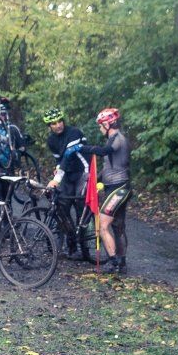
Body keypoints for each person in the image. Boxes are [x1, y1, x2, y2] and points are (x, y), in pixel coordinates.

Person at [79, 108, 131, 273]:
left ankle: (114, 262)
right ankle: (121, 264)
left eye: (101, 125)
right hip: (117, 187)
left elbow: (104, 152)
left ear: (108, 124)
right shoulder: (112, 139)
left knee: (102, 225)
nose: (100, 129)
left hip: (119, 188)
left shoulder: (118, 139)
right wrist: (95, 179)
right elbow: (109, 166)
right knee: (117, 226)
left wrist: (84, 148)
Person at [44, 107, 90, 259]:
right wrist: (57, 172)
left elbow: (68, 156)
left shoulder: (74, 133)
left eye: (60, 121)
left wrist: (56, 179)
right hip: (67, 174)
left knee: (80, 208)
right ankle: (72, 247)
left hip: (82, 172)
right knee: (62, 206)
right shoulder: (51, 140)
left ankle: (85, 248)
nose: (58, 125)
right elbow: (59, 161)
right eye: (54, 123)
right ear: (49, 126)